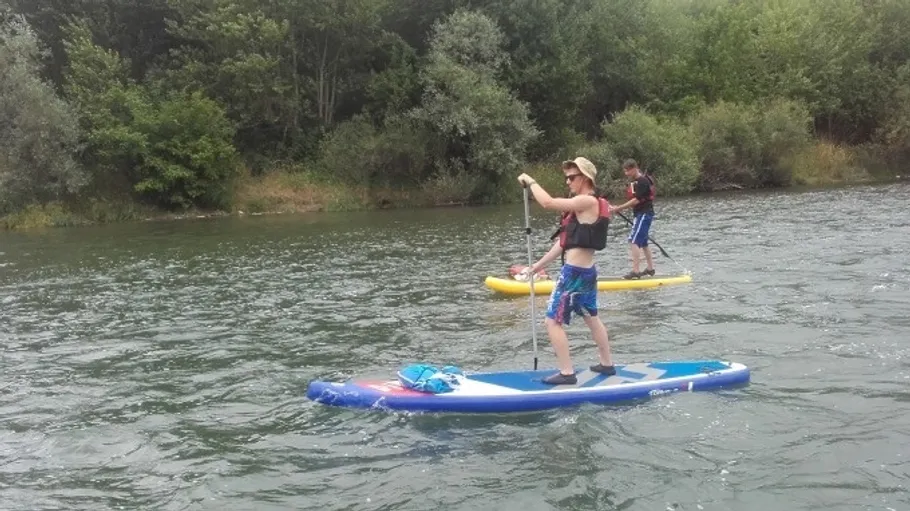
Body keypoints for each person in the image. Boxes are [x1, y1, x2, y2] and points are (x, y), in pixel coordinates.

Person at [516, 157, 616, 385]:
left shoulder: (586, 201)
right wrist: (536, 266)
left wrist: (531, 182)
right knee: (591, 317)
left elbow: (548, 202)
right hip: (587, 272)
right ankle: (607, 364)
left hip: (573, 274)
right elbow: (563, 244)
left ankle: (567, 373)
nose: (568, 182)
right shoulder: (585, 206)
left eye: (572, 177)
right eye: (567, 178)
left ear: (586, 178)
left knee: (552, 321)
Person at [610, 159, 655, 279]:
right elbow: (634, 200)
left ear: (635, 168)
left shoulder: (642, 181)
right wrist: (618, 208)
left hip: (644, 214)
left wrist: (619, 208)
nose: (626, 174)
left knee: (634, 241)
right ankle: (650, 269)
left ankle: (635, 271)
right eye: (625, 171)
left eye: (628, 171)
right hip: (639, 214)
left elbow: (636, 200)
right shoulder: (635, 182)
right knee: (643, 242)